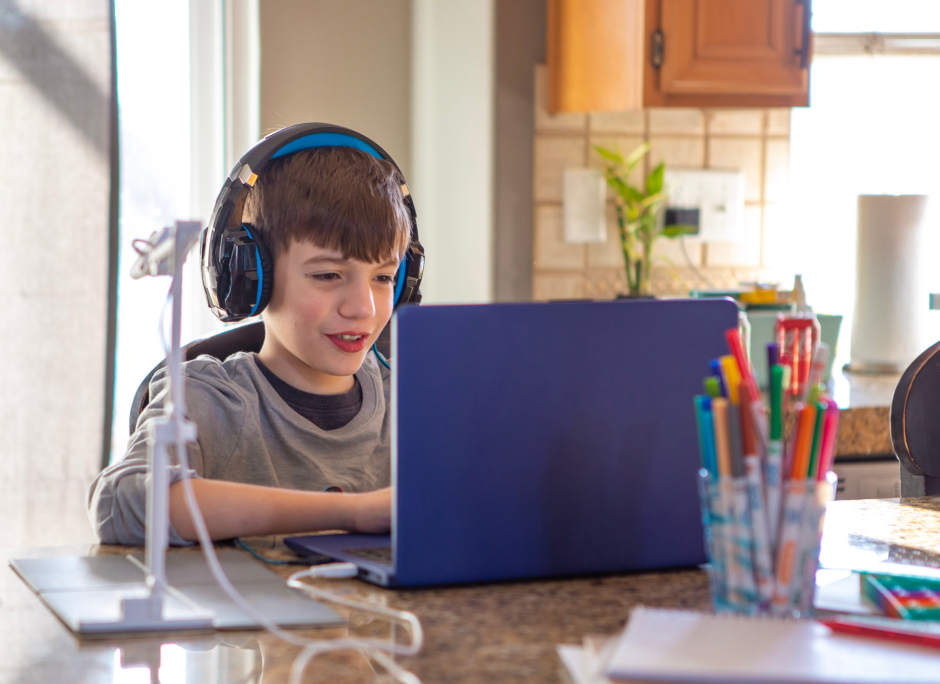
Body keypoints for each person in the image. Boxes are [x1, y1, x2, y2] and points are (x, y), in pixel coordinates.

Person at [87, 134, 414, 545]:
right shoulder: (208, 399)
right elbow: (118, 504)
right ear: (252, 278)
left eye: (383, 277)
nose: (363, 307)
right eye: (328, 275)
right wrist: (352, 513)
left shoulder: (411, 399)